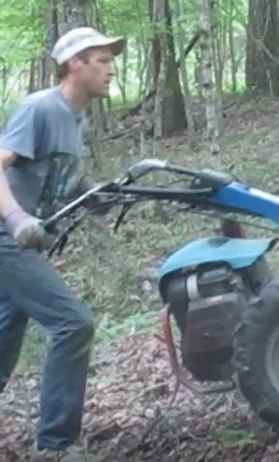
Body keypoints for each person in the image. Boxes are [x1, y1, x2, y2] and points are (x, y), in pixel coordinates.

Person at [0, 26, 124, 462]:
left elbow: (60, 175)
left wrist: (94, 194)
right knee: (74, 323)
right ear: (75, 63)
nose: (111, 69)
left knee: (3, 339)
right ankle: (55, 445)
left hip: (23, 243)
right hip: (5, 239)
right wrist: (16, 218)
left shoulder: (75, 117)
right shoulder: (40, 108)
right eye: (102, 61)